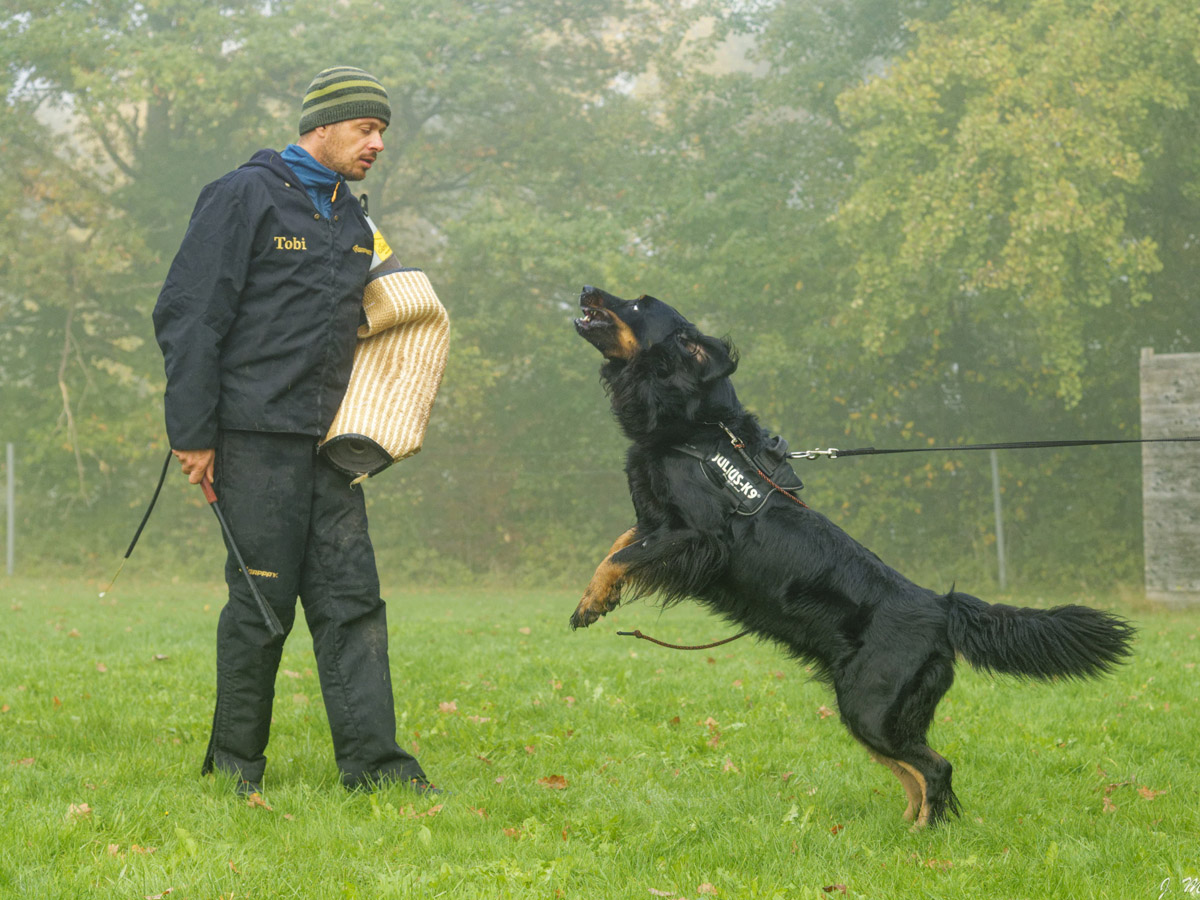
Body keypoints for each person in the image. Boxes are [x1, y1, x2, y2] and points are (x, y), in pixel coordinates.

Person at [153, 66, 435, 797]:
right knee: (261, 604)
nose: (377, 143)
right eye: (365, 128)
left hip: (331, 448)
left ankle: (378, 772)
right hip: (252, 439)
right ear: (322, 126)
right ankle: (235, 769)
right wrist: (194, 432)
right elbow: (190, 314)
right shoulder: (242, 195)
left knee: (354, 604)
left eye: (383, 132)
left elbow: (394, 308)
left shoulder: (352, 219)